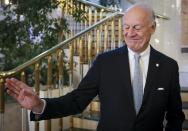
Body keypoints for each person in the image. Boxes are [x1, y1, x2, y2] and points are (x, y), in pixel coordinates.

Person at [5, 3, 185, 131]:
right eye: (126, 27)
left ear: (152, 27)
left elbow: (175, 116)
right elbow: (77, 101)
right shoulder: (105, 62)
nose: (130, 34)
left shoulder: (168, 66)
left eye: (137, 27)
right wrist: (39, 105)